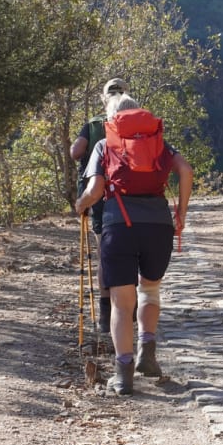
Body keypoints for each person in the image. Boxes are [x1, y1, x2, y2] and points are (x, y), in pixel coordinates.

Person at [75, 93, 193, 396]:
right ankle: (147, 353)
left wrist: (81, 204)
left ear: (111, 119)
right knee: (150, 290)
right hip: (158, 226)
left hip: (119, 226)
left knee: (121, 302)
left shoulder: (104, 144)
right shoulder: (158, 143)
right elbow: (186, 170)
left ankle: (124, 374)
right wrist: (181, 210)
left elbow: (95, 189)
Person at [69, 78, 127, 334]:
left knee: (105, 250)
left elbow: (76, 152)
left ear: (104, 99)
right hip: (128, 193)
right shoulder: (137, 122)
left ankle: (106, 314)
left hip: (97, 193)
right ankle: (129, 306)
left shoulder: (92, 124)